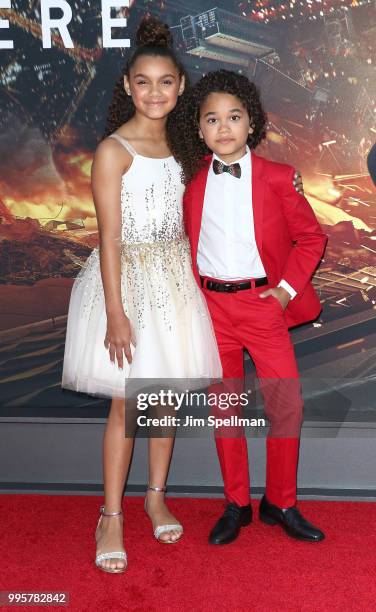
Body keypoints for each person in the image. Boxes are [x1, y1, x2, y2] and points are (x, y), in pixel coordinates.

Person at [61, 16, 222, 572]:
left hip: (174, 280)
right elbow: (107, 238)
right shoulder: (113, 150)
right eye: (144, 81)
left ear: (180, 86)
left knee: (164, 400)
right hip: (125, 283)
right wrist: (114, 312)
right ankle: (111, 516)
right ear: (127, 86)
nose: (156, 92)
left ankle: (155, 495)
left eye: (167, 82)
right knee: (128, 404)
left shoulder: (184, 142)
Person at [172, 69, 327, 545]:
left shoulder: (280, 178)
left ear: (251, 122)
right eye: (212, 119)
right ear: (199, 129)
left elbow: (311, 238)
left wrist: (284, 291)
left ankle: (280, 502)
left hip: (262, 307)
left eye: (234, 117)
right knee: (226, 411)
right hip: (211, 310)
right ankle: (236, 504)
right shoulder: (192, 181)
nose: (224, 128)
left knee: (287, 407)